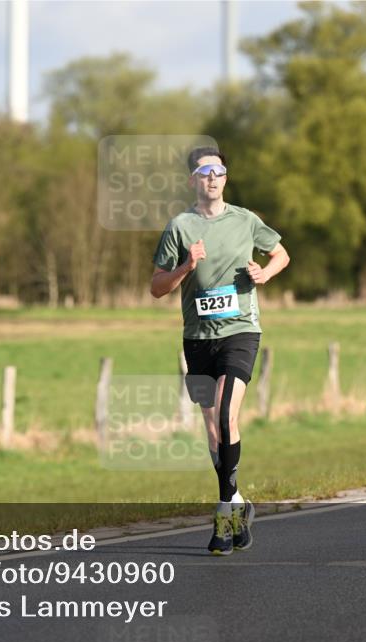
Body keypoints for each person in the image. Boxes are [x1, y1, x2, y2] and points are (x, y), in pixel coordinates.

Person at [150, 146, 289, 555]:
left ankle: (225, 513)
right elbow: (156, 287)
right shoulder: (179, 227)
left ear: (225, 178)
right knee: (214, 430)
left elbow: (281, 254)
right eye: (205, 171)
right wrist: (186, 267)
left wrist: (265, 272)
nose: (212, 177)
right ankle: (240, 503)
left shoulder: (245, 220)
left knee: (227, 414)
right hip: (196, 338)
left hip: (240, 331)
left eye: (219, 170)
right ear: (193, 180)